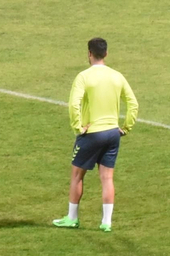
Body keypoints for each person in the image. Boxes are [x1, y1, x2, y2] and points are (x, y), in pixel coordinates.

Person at [54, 37, 139, 232]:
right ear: (106, 54)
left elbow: (74, 104)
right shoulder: (117, 76)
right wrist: (125, 127)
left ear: (89, 54)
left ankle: (72, 218)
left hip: (92, 133)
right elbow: (133, 104)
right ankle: (106, 222)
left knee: (77, 175)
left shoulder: (84, 77)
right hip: (112, 133)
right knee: (107, 178)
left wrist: (78, 127)